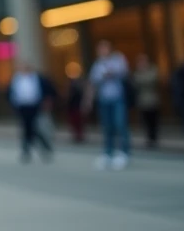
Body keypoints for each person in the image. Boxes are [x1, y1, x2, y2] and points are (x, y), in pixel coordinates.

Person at [86, 40, 131, 170]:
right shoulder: (97, 64)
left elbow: (124, 73)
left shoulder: (118, 60)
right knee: (107, 127)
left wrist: (111, 73)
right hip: (104, 100)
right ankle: (108, 153)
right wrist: (88, 100)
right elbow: (92, 82)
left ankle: (123, 153)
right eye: (100, 49)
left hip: (117, 98)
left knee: (120, 124)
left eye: (104, 48)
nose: (102, 51)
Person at [9, 60, 55, 163]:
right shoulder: (17, 79)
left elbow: (49, 90)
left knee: (33, 128)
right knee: (27, 128)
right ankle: (30, 149)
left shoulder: (37, 78)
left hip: (34, 106)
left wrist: (47, 101)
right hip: (22, 107)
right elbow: (12, 92)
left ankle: (31, 149)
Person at [132, 53, 161, 148]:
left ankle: (154, 138)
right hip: (142, 101)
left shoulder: (152, 70)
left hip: (152, 100)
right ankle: (149, 138)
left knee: (153, 120)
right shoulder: (138, 72)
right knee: (146, 120)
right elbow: (135, 82)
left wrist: (142, 78)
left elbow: (151, 80)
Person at [66, 71, 87, 143]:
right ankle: (76, 135)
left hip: (77, 106)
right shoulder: (71, 86)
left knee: (79, 122)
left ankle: (79, 135)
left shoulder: (80, 87)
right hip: (72, 106)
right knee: (74, 122)